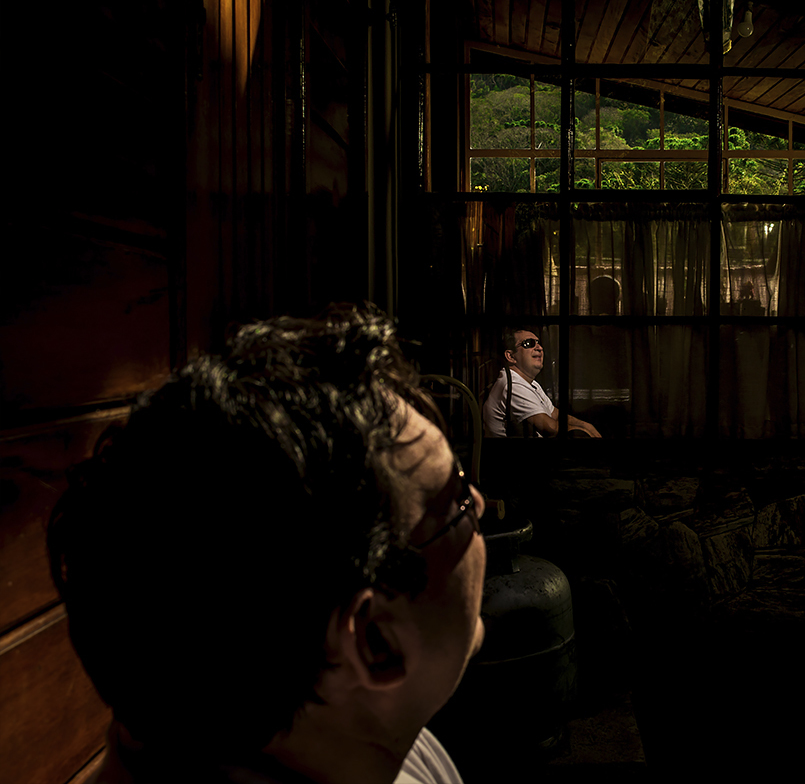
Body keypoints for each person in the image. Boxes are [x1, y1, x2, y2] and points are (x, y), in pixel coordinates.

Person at [47, 303, 485, 784]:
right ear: (375, 641)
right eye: (456, 501)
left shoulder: (362, 738)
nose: (480, 503)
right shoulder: (361, 742)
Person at [481, 328, 601, 438]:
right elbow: (551, 429)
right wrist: (585, 432)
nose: (539, 348)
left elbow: (555, 414)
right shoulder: (512, 386)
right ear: (511, 356)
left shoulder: (529, 382)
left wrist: (587, 426)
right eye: (529, 343)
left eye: (538, 343)